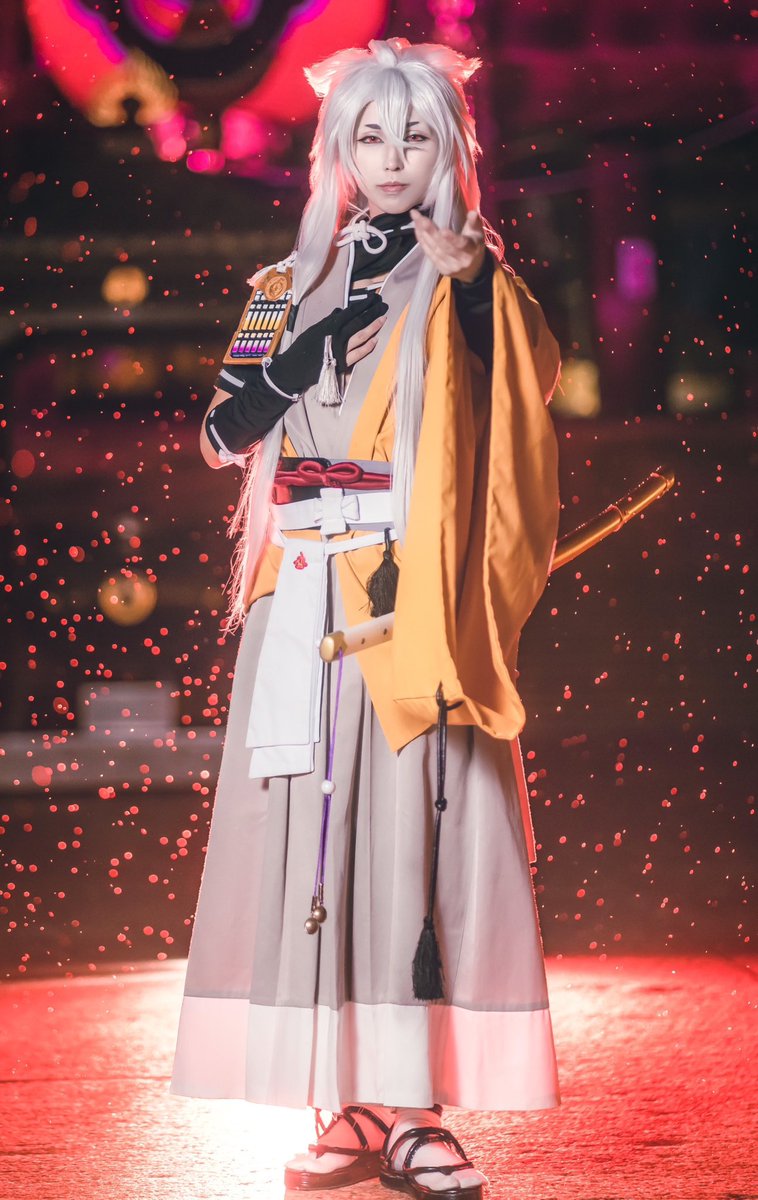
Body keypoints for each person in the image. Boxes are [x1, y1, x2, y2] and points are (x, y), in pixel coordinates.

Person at [171, 37, 562, 1199]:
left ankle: (413, 1107)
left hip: (408, 602)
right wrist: (300, 353)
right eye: (371, 137)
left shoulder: (468, 279)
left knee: (409, 843)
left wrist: (474, 281)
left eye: (415, 137)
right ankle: (343, 1100)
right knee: (312, 843)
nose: (392, 159)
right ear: (338, 150)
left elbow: (527, 384)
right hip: (299, 597)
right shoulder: (276, 289)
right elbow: (220, 433)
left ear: (448, 150)